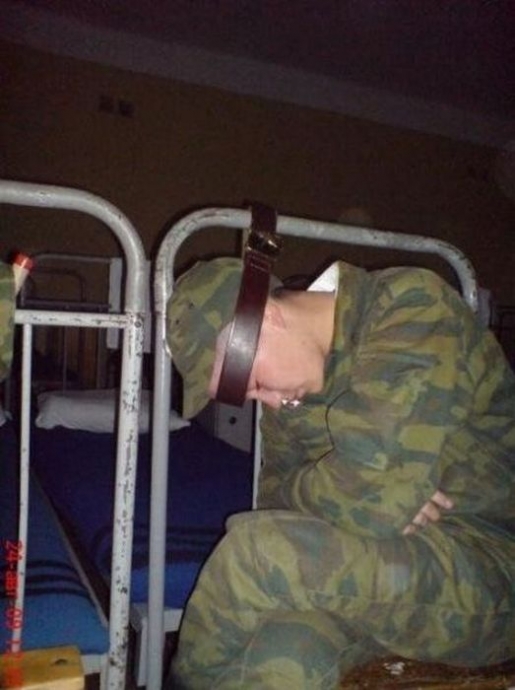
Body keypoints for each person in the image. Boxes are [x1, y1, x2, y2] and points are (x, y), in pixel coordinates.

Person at [165, 255, 515, 689]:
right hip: (376, 583)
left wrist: (369, 493)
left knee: (255, 552)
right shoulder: (289, 402)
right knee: (281, 658)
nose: (266, 401)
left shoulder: (411, 306)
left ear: (266, 317)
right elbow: (279, 504)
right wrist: (354, 489)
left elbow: (373, 495)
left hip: (484, 569)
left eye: (249, 383)